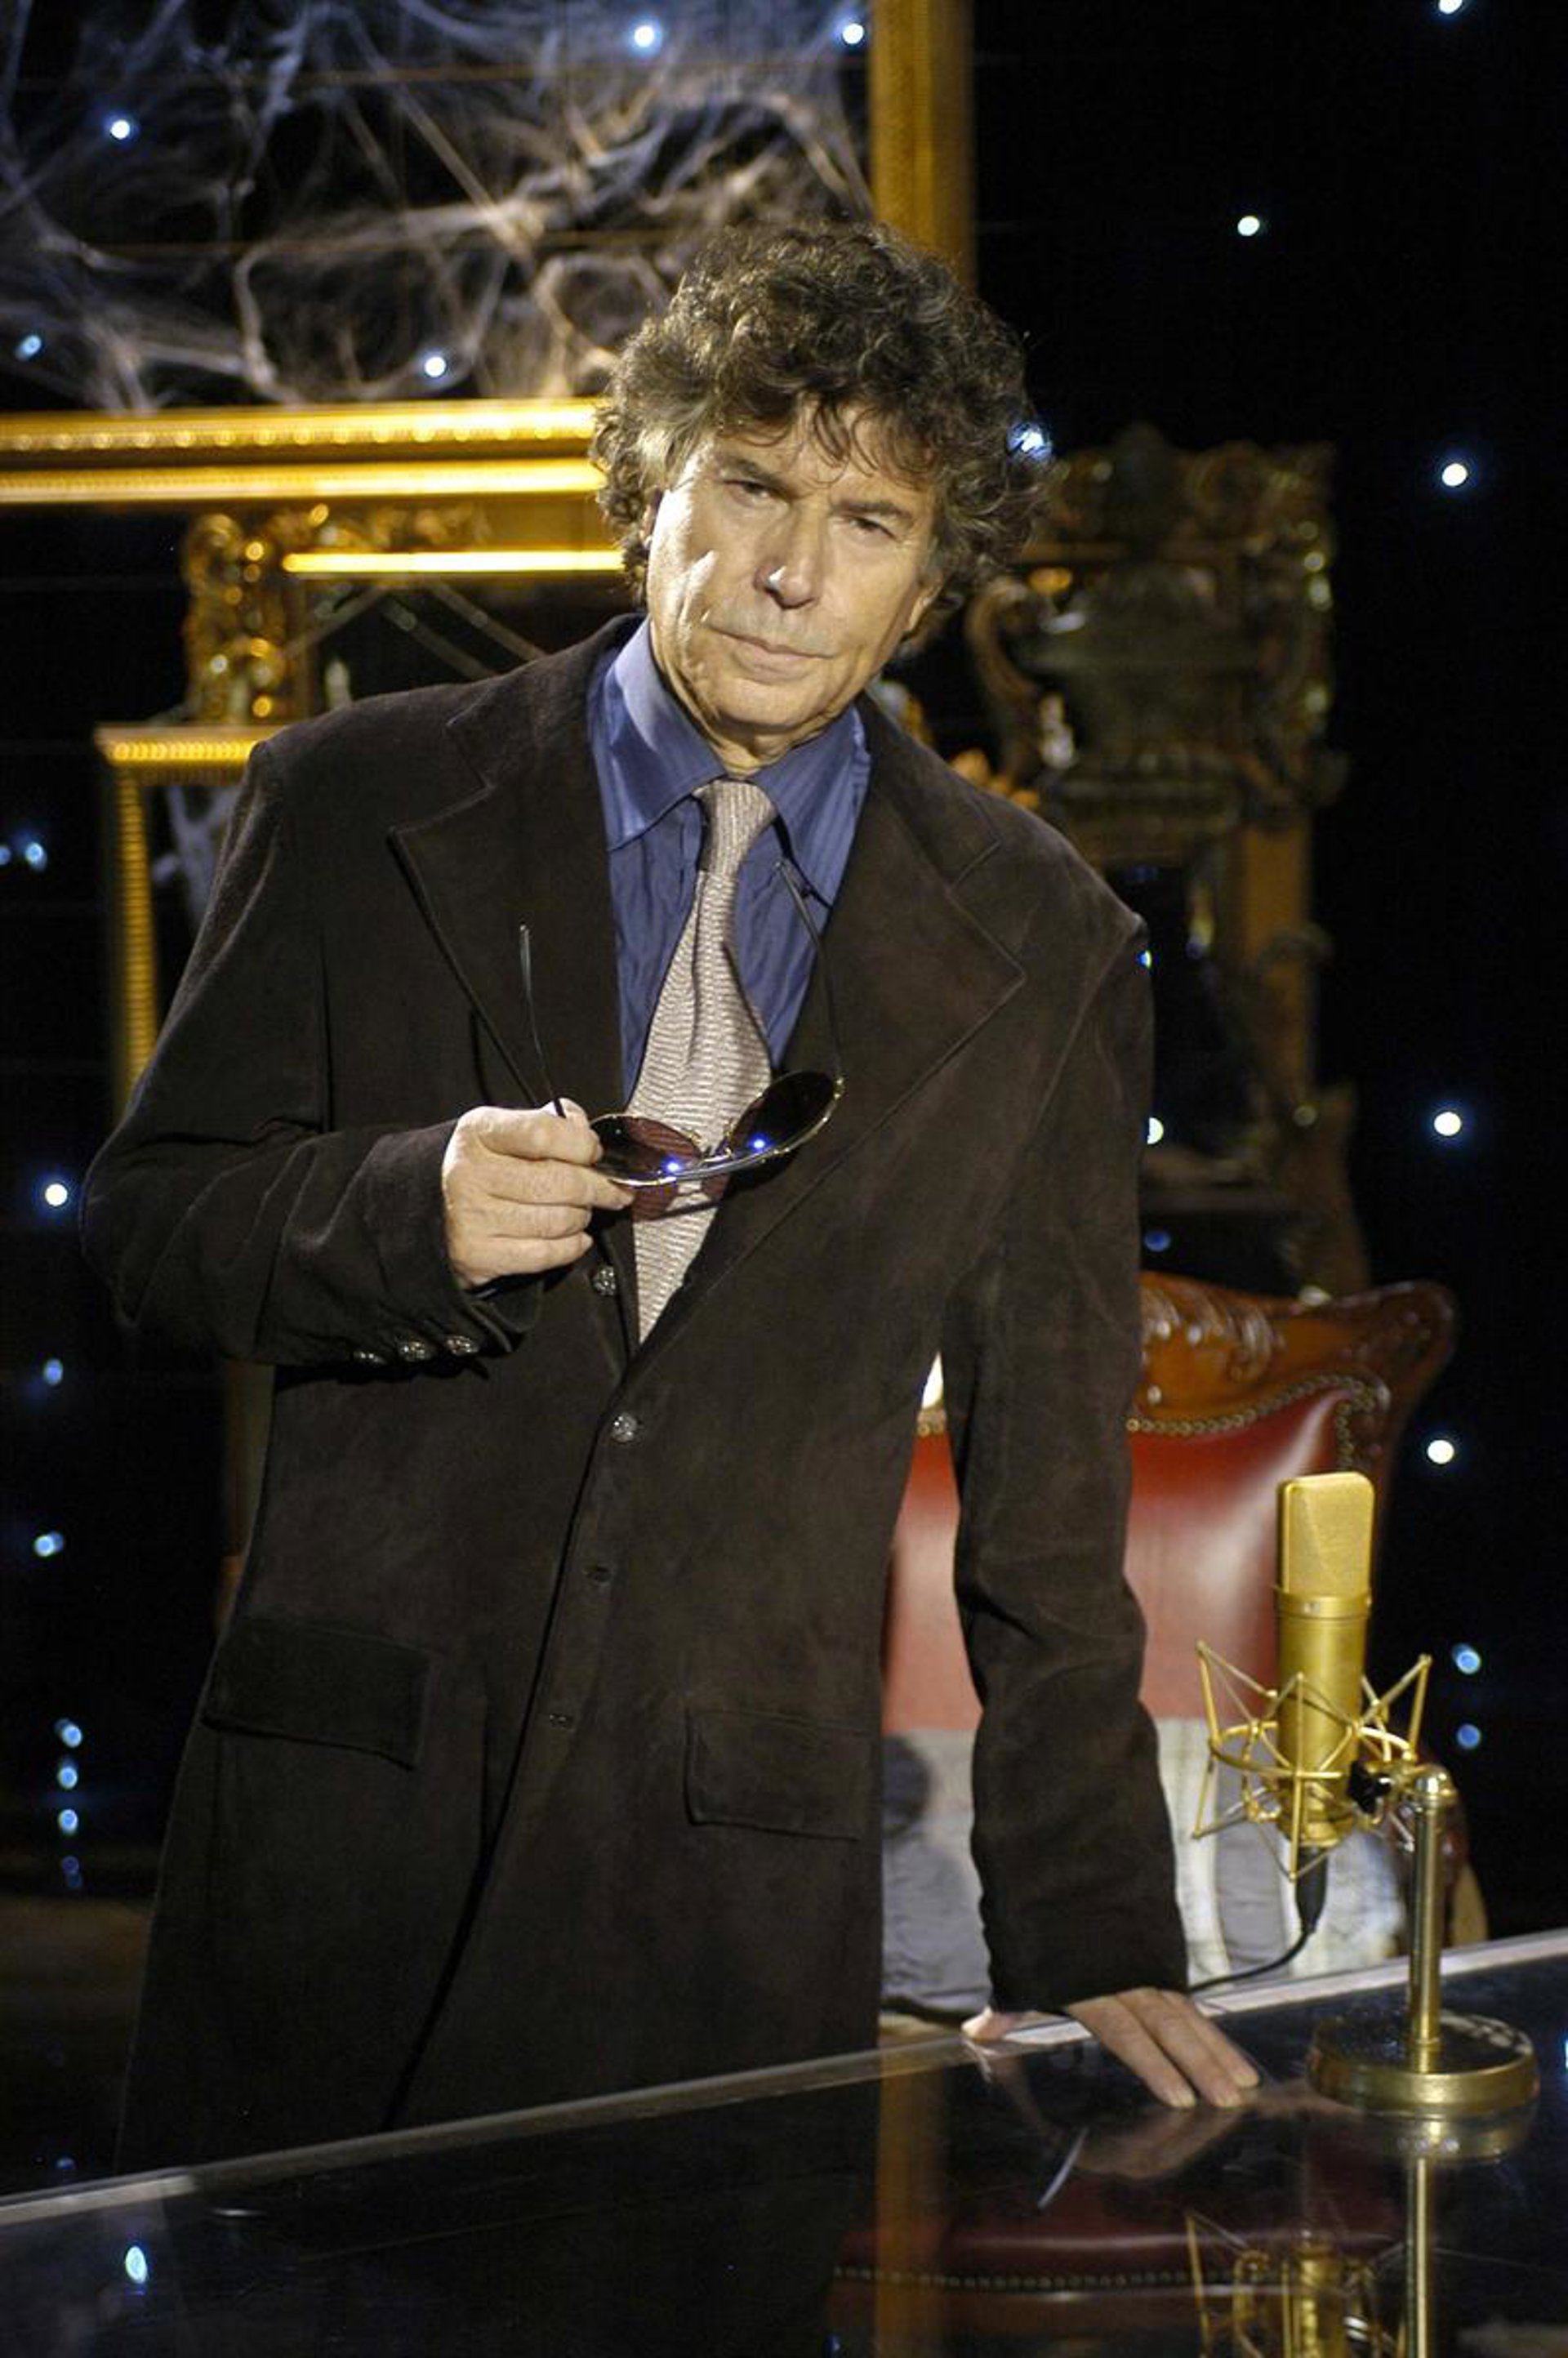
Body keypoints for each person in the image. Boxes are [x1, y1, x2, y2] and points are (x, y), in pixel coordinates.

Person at [84, 221, 1255, 2169]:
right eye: (756, 486)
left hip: (721, 1881)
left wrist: (1094, 1927)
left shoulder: (1045, 942)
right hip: (351, 1852)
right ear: (653, 483)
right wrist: (403, 1210)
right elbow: (145, 1233)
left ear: (929, 580)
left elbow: (1051, 1500)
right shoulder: (357, 798)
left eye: (868, 522)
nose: (795, 573)